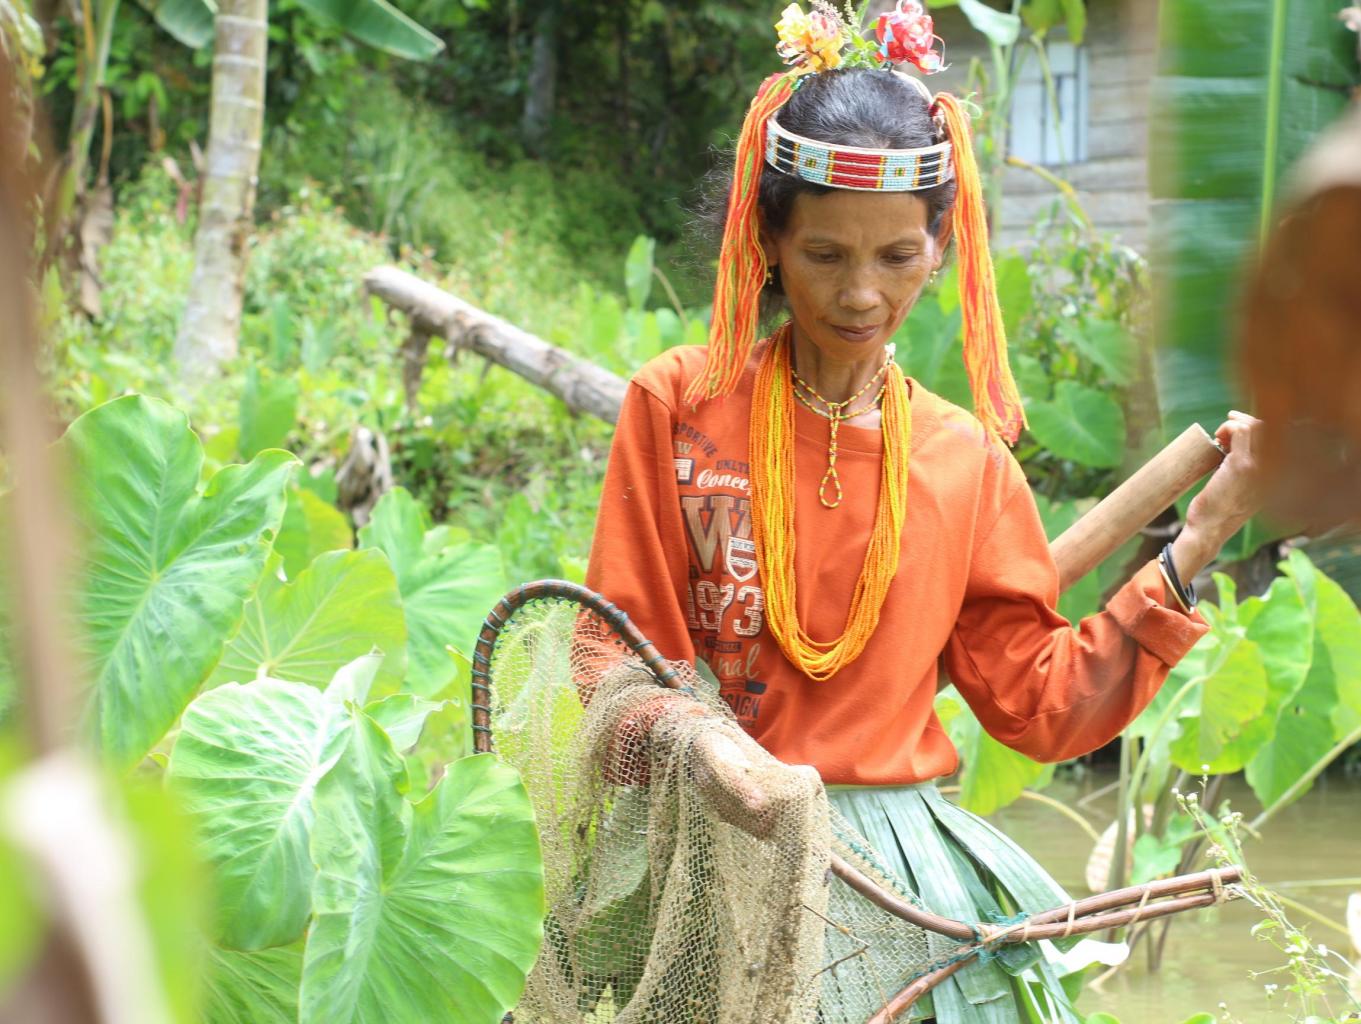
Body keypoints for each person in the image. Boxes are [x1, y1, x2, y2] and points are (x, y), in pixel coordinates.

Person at [583, 3, 1267, 1019]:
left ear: (940, 247)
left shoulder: (964, 462)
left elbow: (1038, 704)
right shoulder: (681, 406)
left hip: (892, 888)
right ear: (767, 240)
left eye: (896, 257)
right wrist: (705, 748)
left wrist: (1200, 536)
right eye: (825, 255)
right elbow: (609, 653)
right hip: (703, 855)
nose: (861, 294)